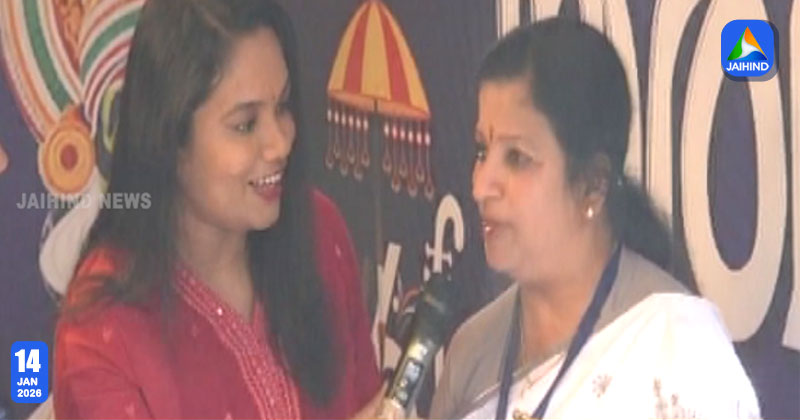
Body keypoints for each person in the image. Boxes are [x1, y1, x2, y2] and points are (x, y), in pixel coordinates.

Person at [53, 0, 383, 418]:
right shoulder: (103, 332)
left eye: (282, 107)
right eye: (245, 124)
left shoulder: (319, 232)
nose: (280, 143)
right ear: (170, 140)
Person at [429, 18, 760, 419]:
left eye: (517, 158)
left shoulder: (678, 348)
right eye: (482, 152)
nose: (481, 186)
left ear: (593, 185)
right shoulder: (472, 351)